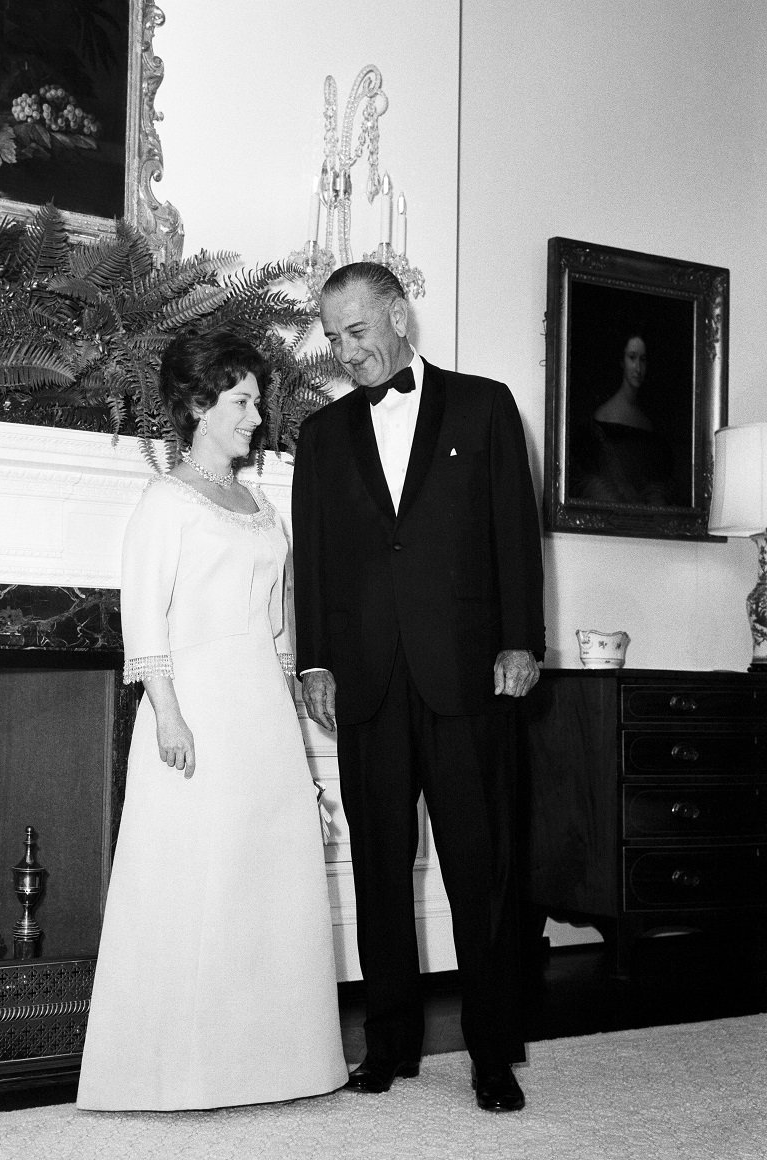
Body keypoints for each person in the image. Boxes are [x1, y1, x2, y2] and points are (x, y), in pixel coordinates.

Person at [291, 262, 545, 1113]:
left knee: (481, 867)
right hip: (365, 679)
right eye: (333, 339)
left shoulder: (485, 405)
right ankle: (389, 1042)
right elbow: (316, 560)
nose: (346, 353)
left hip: (468, 670)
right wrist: (315, 659)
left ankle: (491, 1051)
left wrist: (522, 640)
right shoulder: (322, 436)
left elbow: (515, 527)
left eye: (357, 332)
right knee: (378, 865)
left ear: (399, 316)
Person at [76, 327, 348, 1111]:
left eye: (257, 401)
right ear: (198, 405)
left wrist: (292, 705)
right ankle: (179, 1073)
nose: (256, 417)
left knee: (265, 879)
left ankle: (278, 1065)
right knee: (200, 883)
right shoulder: (166, 503)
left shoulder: (257, 501)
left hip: (260, 708)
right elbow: (144, 616)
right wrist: (167, 716)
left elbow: (275, 620)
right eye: (241, 401)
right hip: (193, 710)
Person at [570, 330, 675, 505]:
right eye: (632, 358)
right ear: (622, 361)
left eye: (643, 359)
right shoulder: (605, 416)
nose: (638, 368)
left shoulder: (648, 419)